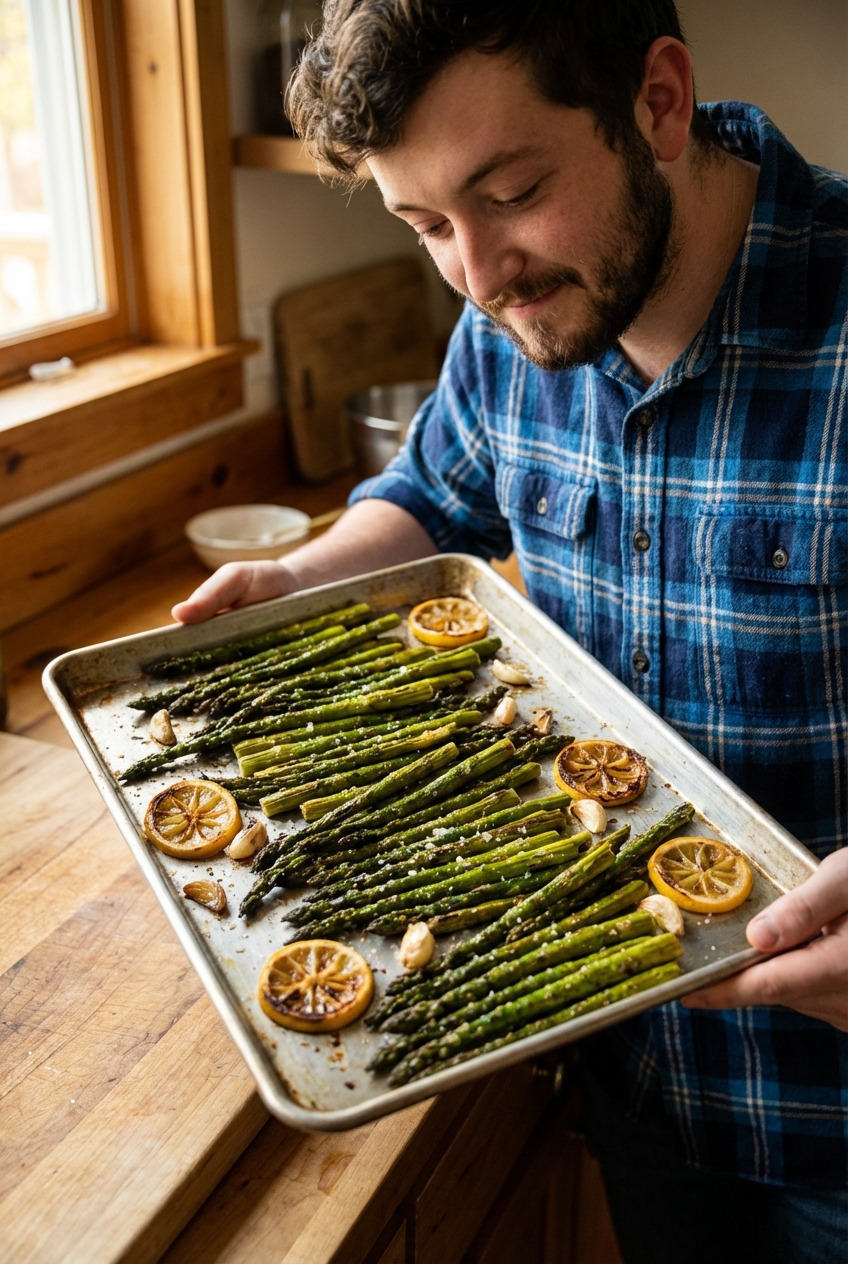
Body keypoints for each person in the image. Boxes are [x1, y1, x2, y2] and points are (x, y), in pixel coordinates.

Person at [174, 3, 847, 1258]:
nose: (478, 278)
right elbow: (429, 501)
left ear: (656, 102)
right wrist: (306, 574)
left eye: (512, 191)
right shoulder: (513, 317)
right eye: (427, 225)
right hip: (627, 1076)